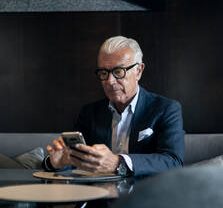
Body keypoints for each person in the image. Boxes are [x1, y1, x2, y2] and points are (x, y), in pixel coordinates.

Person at [43, 36, 185, 176]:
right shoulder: (90, 112)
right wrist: (56, 163)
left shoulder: (166, 109)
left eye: (118, 72)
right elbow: (77, 160)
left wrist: (118, 162)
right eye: (104, 73)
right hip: (98, 195)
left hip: (146, 194)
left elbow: (173, 161)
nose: (110, 81)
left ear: (139, 71)